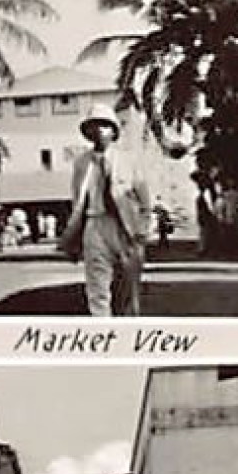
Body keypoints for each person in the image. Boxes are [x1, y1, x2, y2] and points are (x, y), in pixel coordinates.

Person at [58, 103, 151, 316]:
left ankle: (129, 333)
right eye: (94, 126)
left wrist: (141, 232)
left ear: (114, 131)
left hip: (124, 226)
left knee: (128, 287)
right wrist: (74, 236)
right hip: (94, 224)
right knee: (97, 288)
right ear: (88, 132)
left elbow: (145, 202)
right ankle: (103, 332)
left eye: (105, 125)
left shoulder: (129, 160)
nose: (99, 130)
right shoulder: (81, 163)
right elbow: (78, 201)